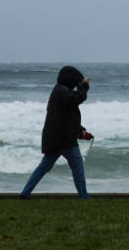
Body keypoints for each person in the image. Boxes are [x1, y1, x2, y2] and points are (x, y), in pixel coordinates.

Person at [19, 65, 93, 199]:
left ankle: (25, 193)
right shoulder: (62, 91)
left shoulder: (60, 91)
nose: (77, 84)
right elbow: (77, 98)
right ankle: (84, 196)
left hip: (55, 139)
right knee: (77, 167)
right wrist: (84, 86)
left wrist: (80, 130)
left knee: (43, 167)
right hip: (64, 140)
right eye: (76, 81)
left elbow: (67, 116)